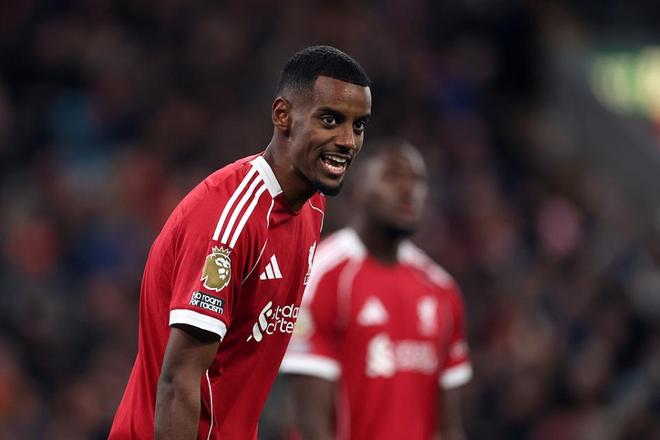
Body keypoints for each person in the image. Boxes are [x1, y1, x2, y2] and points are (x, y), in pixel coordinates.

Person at [109, 45, 372, 439]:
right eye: (330, 120)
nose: (347, 140)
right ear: (282, 115)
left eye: (358, 125)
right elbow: (178, 382)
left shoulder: (312, 206)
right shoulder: (229, 220)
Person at [279, 139, 472, 440]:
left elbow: (448, 428)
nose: (408, 190)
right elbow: (311, 424)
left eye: (418, 180)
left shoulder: (442, 290)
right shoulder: (322, 276)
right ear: (357, 191)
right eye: (392, 177)